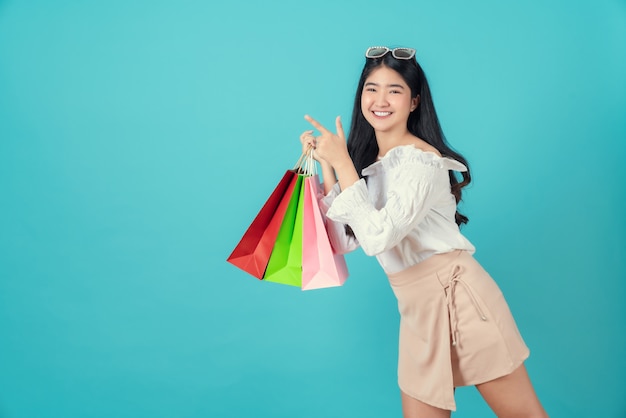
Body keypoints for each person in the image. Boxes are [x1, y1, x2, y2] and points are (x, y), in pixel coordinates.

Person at [299, 46, 548, 418]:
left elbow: (380, 237)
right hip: (416, 308)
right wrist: (330, 168)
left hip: (461, 298)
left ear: (414, 101)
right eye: (371, 88)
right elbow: (346, 240)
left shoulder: (420, 163)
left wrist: (343, 163)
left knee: (525, 415)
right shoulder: (373, 166)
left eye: (394, 90)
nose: (380, 100)